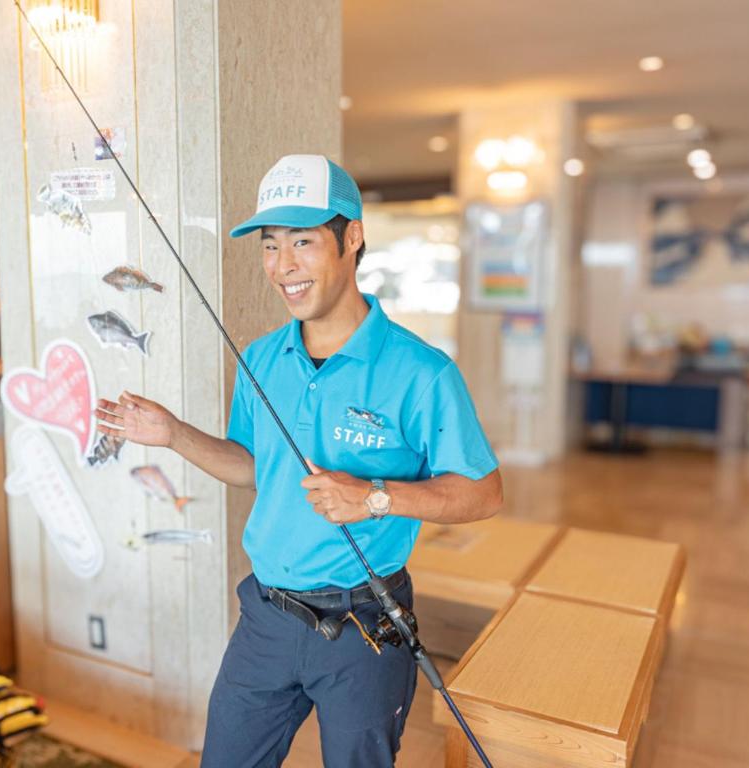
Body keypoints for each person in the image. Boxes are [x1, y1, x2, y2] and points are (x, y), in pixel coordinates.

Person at [94, 154, 502, 767]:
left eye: (303, 242)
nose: (282, 266)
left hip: (364, 627)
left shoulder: (421, 372)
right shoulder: (260, 357)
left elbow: (484, 493)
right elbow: (256, 469)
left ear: (353, 237)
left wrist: (375, 498)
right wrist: (174, 433)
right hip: (267, 618)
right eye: (269, 245)